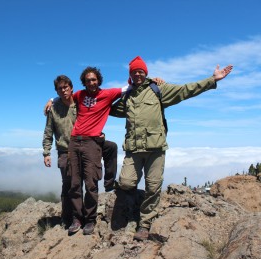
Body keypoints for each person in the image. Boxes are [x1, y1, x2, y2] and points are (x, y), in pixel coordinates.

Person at [110, 56, 233, 241]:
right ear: (130, 74)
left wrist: (212, 80)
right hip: (133, 149)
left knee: (153, 187)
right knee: (126, 182)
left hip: (155, 149)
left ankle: (144, 223)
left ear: (146, 73)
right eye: (134, 72)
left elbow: (186, 90)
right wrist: (66, 102)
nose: (137, 74)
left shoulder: (158, 89)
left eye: (140, 71)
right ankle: (134, 206)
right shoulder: (127, 96)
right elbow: (103, 107)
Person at [42, 75, 118, 228]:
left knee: (108, 151)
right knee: (70, 185)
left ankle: (91, 215)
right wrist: (46, 152)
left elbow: (94, 115)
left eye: (66, 87)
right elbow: (48, 131)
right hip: (65, 150)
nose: (63, 91)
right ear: (56, 91)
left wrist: (99, 135)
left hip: (88, 145)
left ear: (71, 88)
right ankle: (70, 218)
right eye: (60, 89)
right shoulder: (54, 109)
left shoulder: (80, 103)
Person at [66, 67, 128, 235]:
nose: (91, 83)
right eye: (88, 80)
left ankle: (90, 219)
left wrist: (152, 80)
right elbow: (65, 98)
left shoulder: (108, 94)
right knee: (74, 183)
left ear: (98, 80)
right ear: (84, 82)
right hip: (74, 141)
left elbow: (128, 87)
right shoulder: (79, 95)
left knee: (91, 183)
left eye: (94, 79)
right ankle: (77, 218)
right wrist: (51, 101)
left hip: (91, 143)